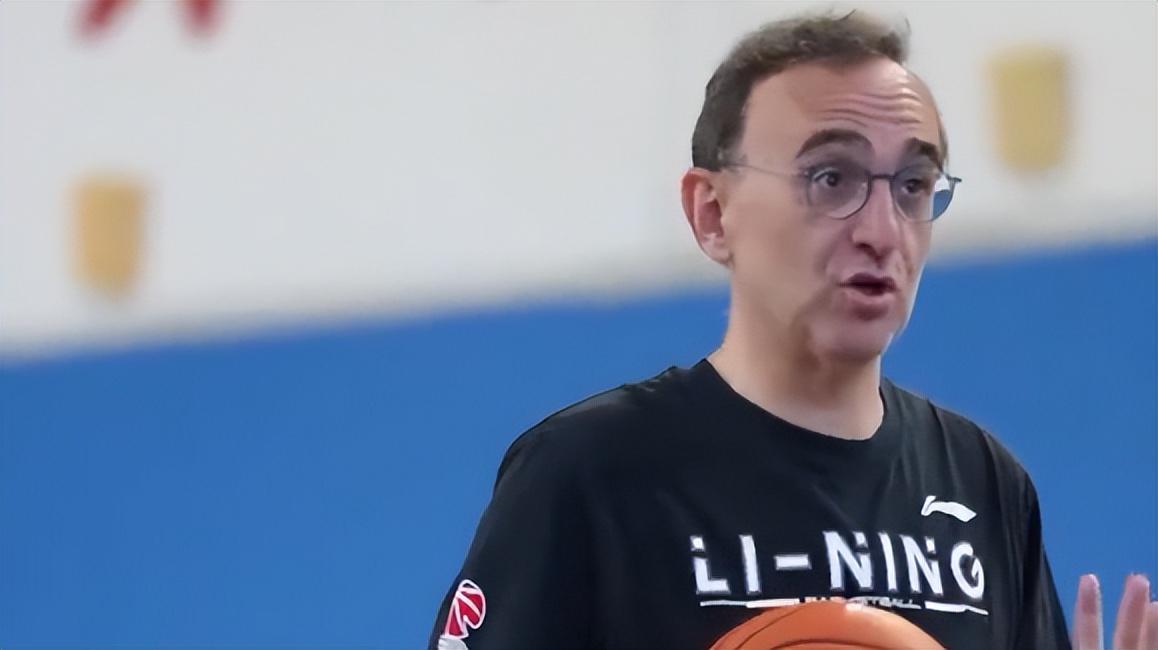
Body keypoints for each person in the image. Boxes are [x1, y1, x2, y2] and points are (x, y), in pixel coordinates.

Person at [428, 11, 1157, 650]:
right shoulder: (588, 474)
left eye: (913, 186)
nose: (882, 231)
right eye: (831, 178)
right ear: (713, 213)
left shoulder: (985, 483)